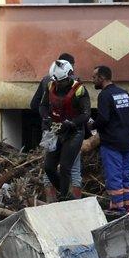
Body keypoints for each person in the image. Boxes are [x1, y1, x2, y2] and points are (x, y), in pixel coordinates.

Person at [38, 59, 91, 201]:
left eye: (61, 81)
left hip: (74, 132)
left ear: (69, 76)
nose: (59, 85)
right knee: (49, 167)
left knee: (66, 167)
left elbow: (86, 114)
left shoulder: (79, 90)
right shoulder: (50, 86)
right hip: (55, 131)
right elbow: (42, 106)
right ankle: (65, 192)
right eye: (57, 82)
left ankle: (63, 197)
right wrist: (45, 118)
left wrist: (71, 123)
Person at [92, 65, 129, 212]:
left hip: (111, 145)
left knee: (114, 179)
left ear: (102, 78)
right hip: (126, 144)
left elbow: (104, 119)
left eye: (94, 77)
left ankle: (117, 211)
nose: (92, 80)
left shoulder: (104, 95)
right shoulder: (123, 93)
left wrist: (92, 126)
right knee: (126, 178)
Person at [31, 52, 81, 193]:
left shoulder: (46, 80)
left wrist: (46, 117)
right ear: (71, 66)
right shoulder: (75, 82)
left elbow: (34, 105)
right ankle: (74, 206)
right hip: (70, 133)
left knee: (49, 169)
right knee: (74, 170)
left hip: (50, 132)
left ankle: (51, 205)